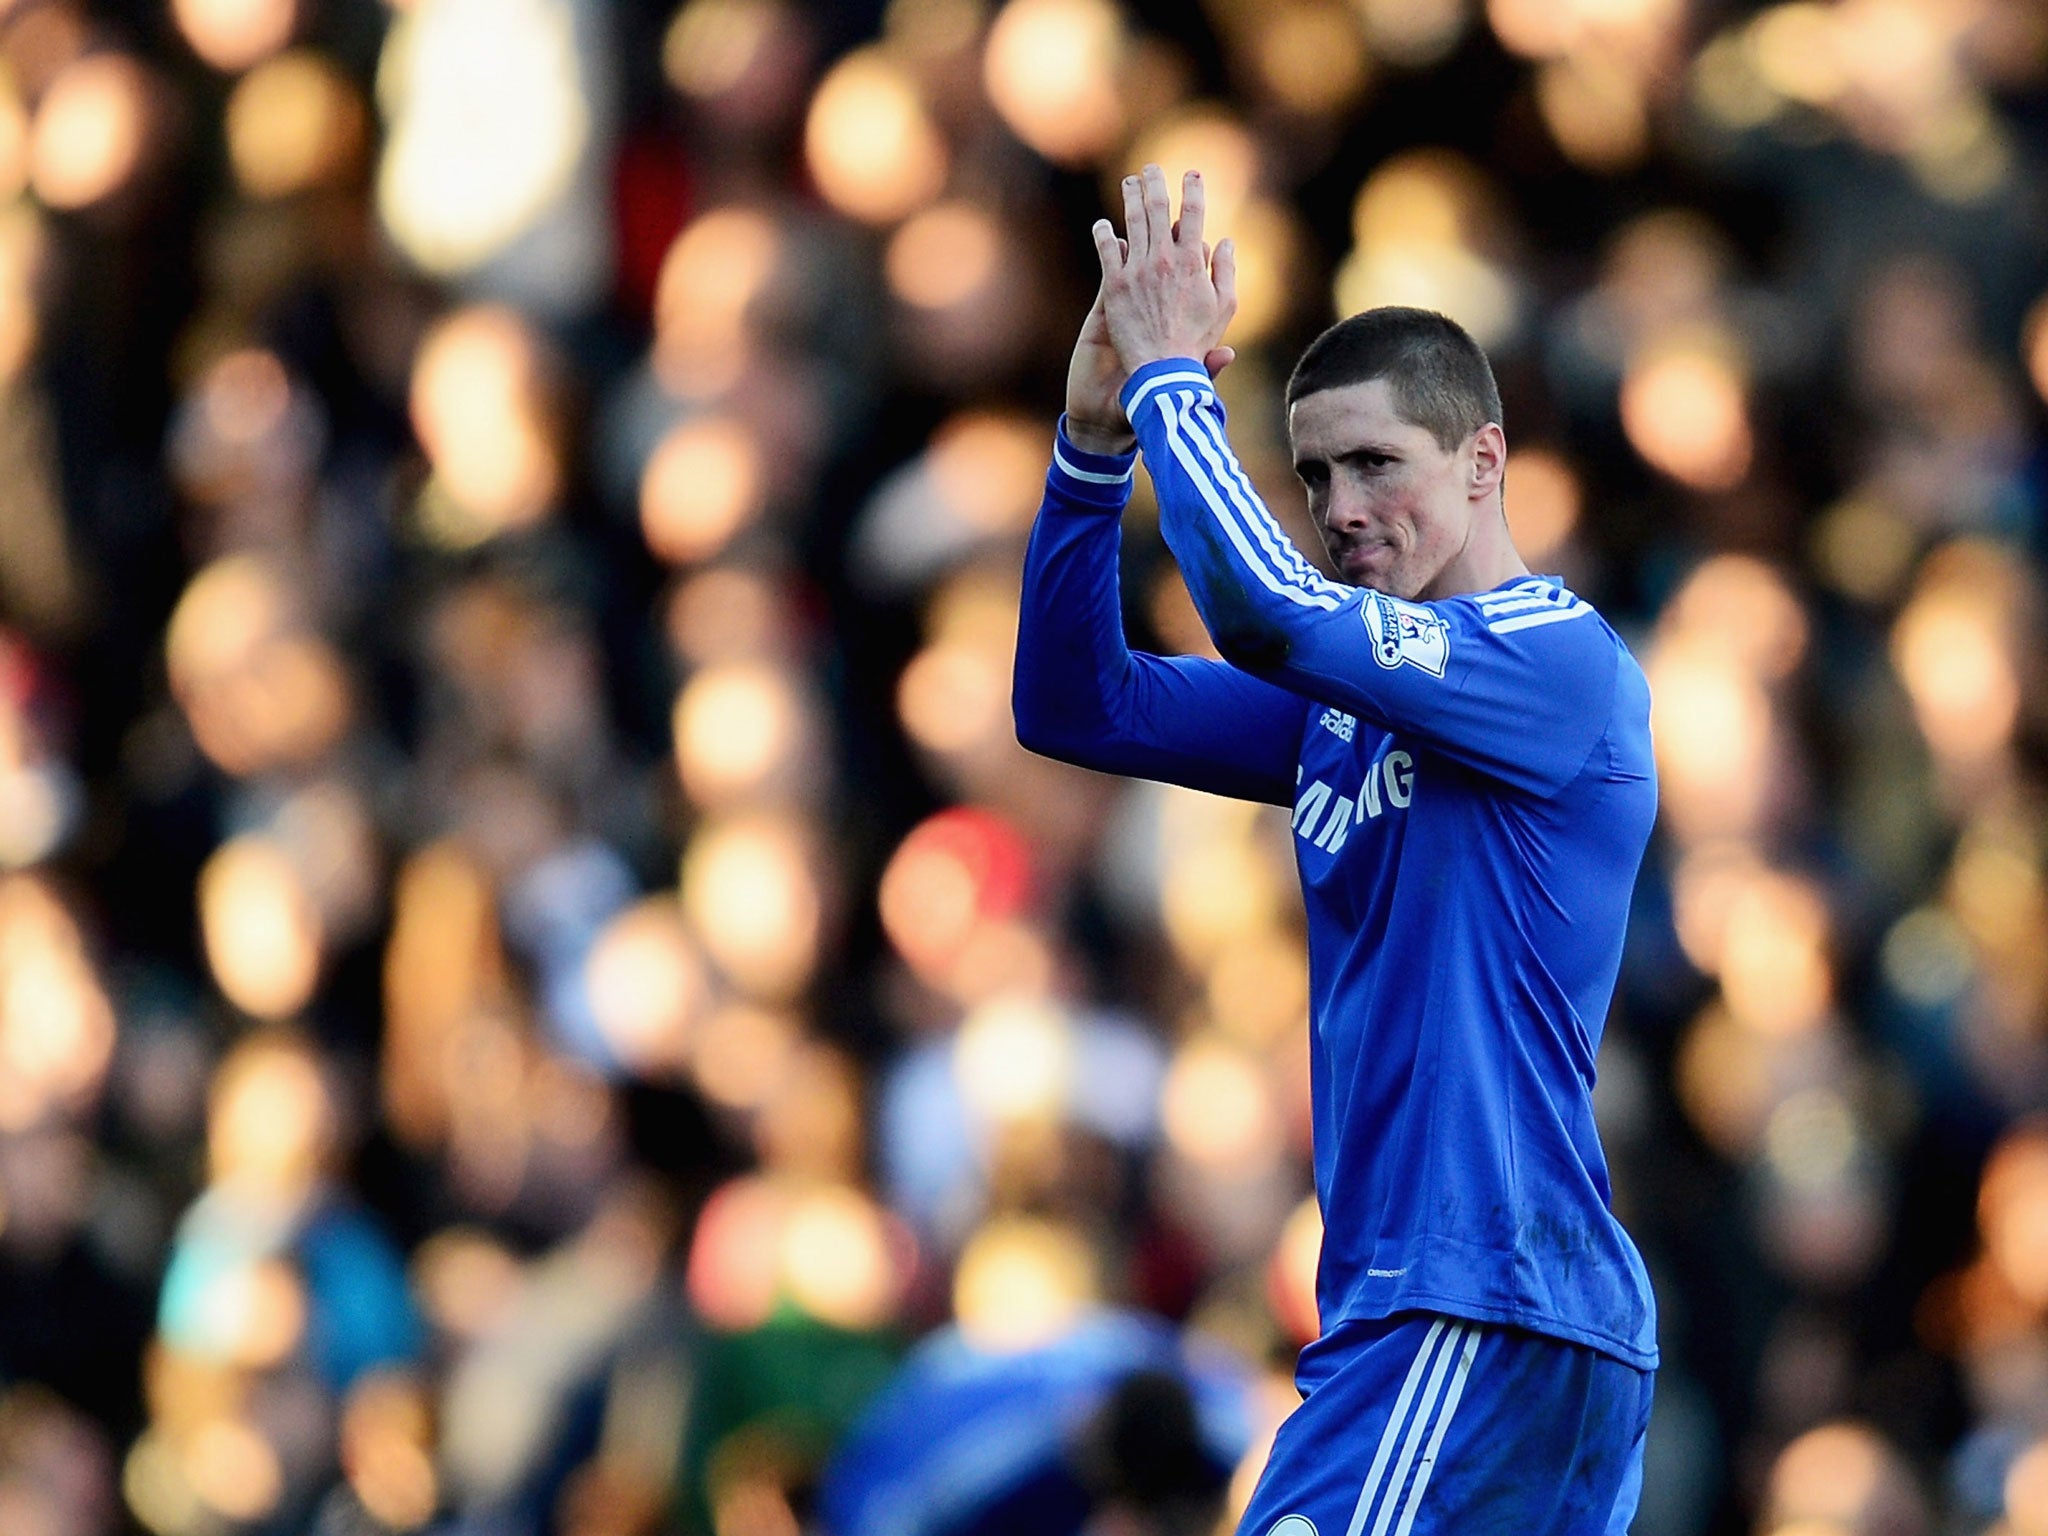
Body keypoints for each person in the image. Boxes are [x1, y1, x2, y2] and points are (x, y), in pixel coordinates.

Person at [1012, 163, 1658, 1536]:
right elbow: (1078, 702)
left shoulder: (1555, 662)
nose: (1340, 505)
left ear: (1484, 460)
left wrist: (1172, 381)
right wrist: (1088, 448)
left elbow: (1264, 610)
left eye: (1377, 463)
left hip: (1473, 1300)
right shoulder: (1338, 718)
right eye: (1313, 474)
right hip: (1464, 1309)